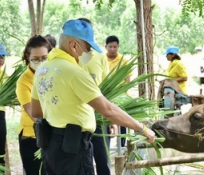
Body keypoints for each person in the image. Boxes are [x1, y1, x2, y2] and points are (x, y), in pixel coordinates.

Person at [31, 19, 155, 175]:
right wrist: (143, 129)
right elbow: (108, 110)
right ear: (74, 45)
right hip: (73, 148)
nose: (89, 53)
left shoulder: (42, 69)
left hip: (50, 146)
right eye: (88, 47)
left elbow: (35, 111)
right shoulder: (74, 72)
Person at [77, 17, 117, 175]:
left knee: (102, 160)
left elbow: (107, 89)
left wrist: (111, 119)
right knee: (80, 162)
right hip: (77, 118)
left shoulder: (100, 57)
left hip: (99, 117)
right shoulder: (69, 59)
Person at [16, 35, 52, 175]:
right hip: (32, 137)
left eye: (44, 58)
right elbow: (34, 115)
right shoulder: (23, 82)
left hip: (54, 135)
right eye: (35, 59)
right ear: (27, 57)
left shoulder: (55, 74)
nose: (40, 62)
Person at [105, 35, 131, 147]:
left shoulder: (124, 61)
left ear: (118, 47)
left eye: (115, 47)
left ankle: (122, 145)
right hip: (105, 96)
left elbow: (128, 80)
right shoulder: (101, 60)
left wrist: (122, 94)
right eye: (110, 46)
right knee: (106, 121)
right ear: (105, 46)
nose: (112, 49)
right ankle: (106, 145)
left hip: (121, 96)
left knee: (122, 120)